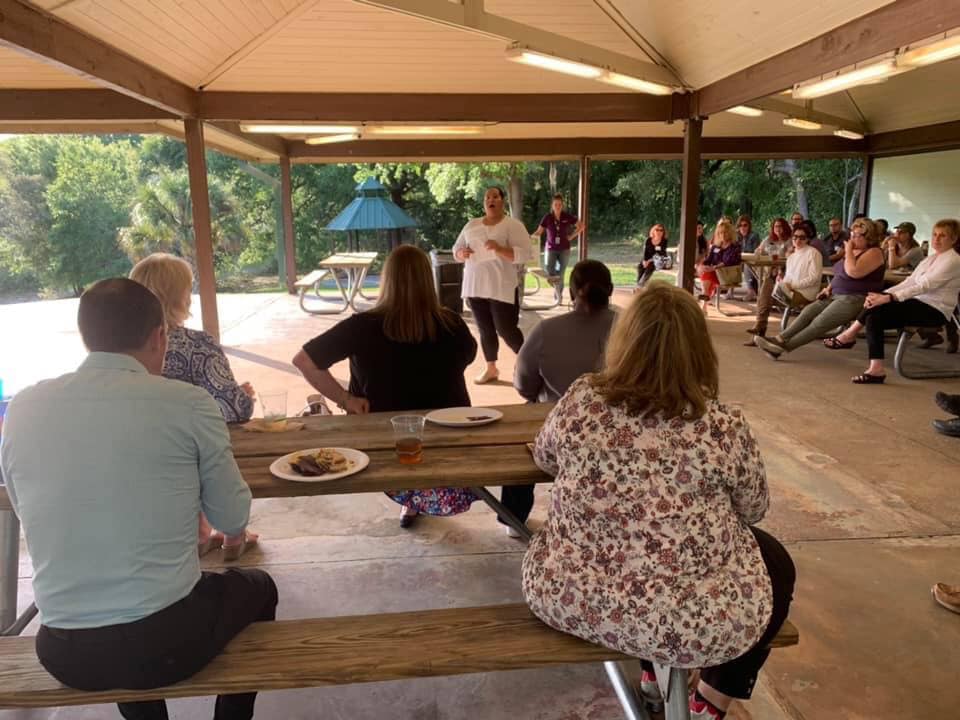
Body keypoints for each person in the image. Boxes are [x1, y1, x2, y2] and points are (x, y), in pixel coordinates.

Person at [0, 278, 276, 720]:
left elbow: (22, 504)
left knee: (134, 623)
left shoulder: (25, 407)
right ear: (159, 336)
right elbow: (232, 516)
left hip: (63, 651)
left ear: (87, 337)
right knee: (261, 588)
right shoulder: (187, 403)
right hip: (167, 644)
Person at [521, 284, 795, 720]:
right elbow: (753, 508)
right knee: (773, 560)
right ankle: (711, 697)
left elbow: (545, 457)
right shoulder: (722, 424)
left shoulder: (581, 398)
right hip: (687, 618)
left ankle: (652, 674)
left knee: (636, 550)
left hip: (569, 596)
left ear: (623, 341)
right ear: (699, 350)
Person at [293, 245, 480, 528]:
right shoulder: (452, 324)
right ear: (428, 280)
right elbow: (468, 357)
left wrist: (346, 399)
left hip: (381, 443)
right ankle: (414, 501)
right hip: (451, 440)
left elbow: (304, 360)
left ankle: (410, 500)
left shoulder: (361, 326)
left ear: (386, 279)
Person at [130, 253, 258, 558]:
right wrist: (244, 395)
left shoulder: (125, 348)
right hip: (192, 457)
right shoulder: (197, 344)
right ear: (179, 295)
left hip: (139, 457)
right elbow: (233, 409)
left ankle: (200, 535)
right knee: (212, 444)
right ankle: (232, 535)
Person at [505, 260, 616, 538]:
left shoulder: (547, 330)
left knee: (521, 430)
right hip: (617, 423)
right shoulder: (631, 327)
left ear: (570, 291)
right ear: (611, 290)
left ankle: (513, 517)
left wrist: (536, 396)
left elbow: (523, 381)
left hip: (554, 421)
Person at [825, 219, 960, 384]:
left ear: (953, 239)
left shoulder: (954, 260)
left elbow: (925, 285)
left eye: (942, 235)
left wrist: (889, 298)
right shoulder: (929, 259)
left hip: (935, 310)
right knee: (874, 314)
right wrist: (882, 294)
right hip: (916, 303)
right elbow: (910, 282)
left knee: (879, 304)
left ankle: (849, 334)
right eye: (934, 234)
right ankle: (876, 370)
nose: (936, 239)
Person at [754, 218, 885, 359]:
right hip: (835, 294)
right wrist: (828, 288)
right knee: (807, 312)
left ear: (869, 237)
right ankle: (780, 339)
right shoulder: (853, 252)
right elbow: (840, 274)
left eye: (857, 235)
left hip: (854, 298)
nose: (852, 238)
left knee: (820, 322)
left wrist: (847, 251)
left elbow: (854, 271)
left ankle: (783, 347)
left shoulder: (874, 252)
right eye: (852, 234)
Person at [452, 186, 531, 384]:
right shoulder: (472, 225)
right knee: (485, 329)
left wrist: (500, 249)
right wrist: (462, 254)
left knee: (506, 329)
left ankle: (527, 362)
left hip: (501, 286)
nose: (490, 200)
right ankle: (491, 368)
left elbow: (526, 254)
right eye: (487, 197)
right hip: (475, 285)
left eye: (495, 196)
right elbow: (456, 249)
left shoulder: (513, 225)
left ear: (502, 201)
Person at [746, 222, 823, 338]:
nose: (798, 240)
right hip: (789, 291)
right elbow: (789, 277)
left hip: (805, 293)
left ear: (807, 239)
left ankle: (760, 328)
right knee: (766, 288)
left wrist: (792, 285)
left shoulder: (813, 253)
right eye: (795, 237)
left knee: (764, 296)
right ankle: (759, 329)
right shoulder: (791, 256)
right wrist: (781, 281)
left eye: (802, 238)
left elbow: (814, 278)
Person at [532, 193, 583, 301]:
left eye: (560, 204)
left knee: (561, 272)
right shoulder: (547, 217)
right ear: (552, 205)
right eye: (556, 204)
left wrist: (571, 236)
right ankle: (557, 289)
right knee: (549, 270)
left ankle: (558, 296)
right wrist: (529, 239)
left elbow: (581, 225)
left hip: (564, 249)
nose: (558, 206)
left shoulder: (566, 216)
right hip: (551, 248)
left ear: (562, 205)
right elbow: (538, 232)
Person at [697, 219, 741, 312]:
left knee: (708, 273)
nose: (723, 235)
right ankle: (704, 301)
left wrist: (714, 267)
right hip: (715, 273)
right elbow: (709, 260)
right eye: (720, 233)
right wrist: (703, 265)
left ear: (730, 233)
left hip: (728, 274)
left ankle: (704, 301)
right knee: (706, 272)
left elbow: (729, 261)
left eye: (725, 232)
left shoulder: (735, 246)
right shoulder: (715, 246)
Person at [637, 223, 671, 288]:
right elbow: (645, 252)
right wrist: (644, 261)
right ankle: (639, 285)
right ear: (653, 231)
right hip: (648, 259)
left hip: (660, 260)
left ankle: (640, 286)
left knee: (650, 266)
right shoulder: (648, 240)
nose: (659, 232)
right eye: (657, 230)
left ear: (663, 232)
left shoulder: (664, 241)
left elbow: (661, 254)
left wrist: (649, 261)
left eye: (661, 230)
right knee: (640, 266)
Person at [737, 215, 761, 300]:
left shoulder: (754, 236)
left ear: (749, 226)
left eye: (745, 225)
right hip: (741, 260)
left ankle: (751, 291)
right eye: (740, 225)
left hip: (752, 261)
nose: (742, 227)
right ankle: (730, 290)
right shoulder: (737, 236)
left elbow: (753, 251)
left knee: (747, 264)